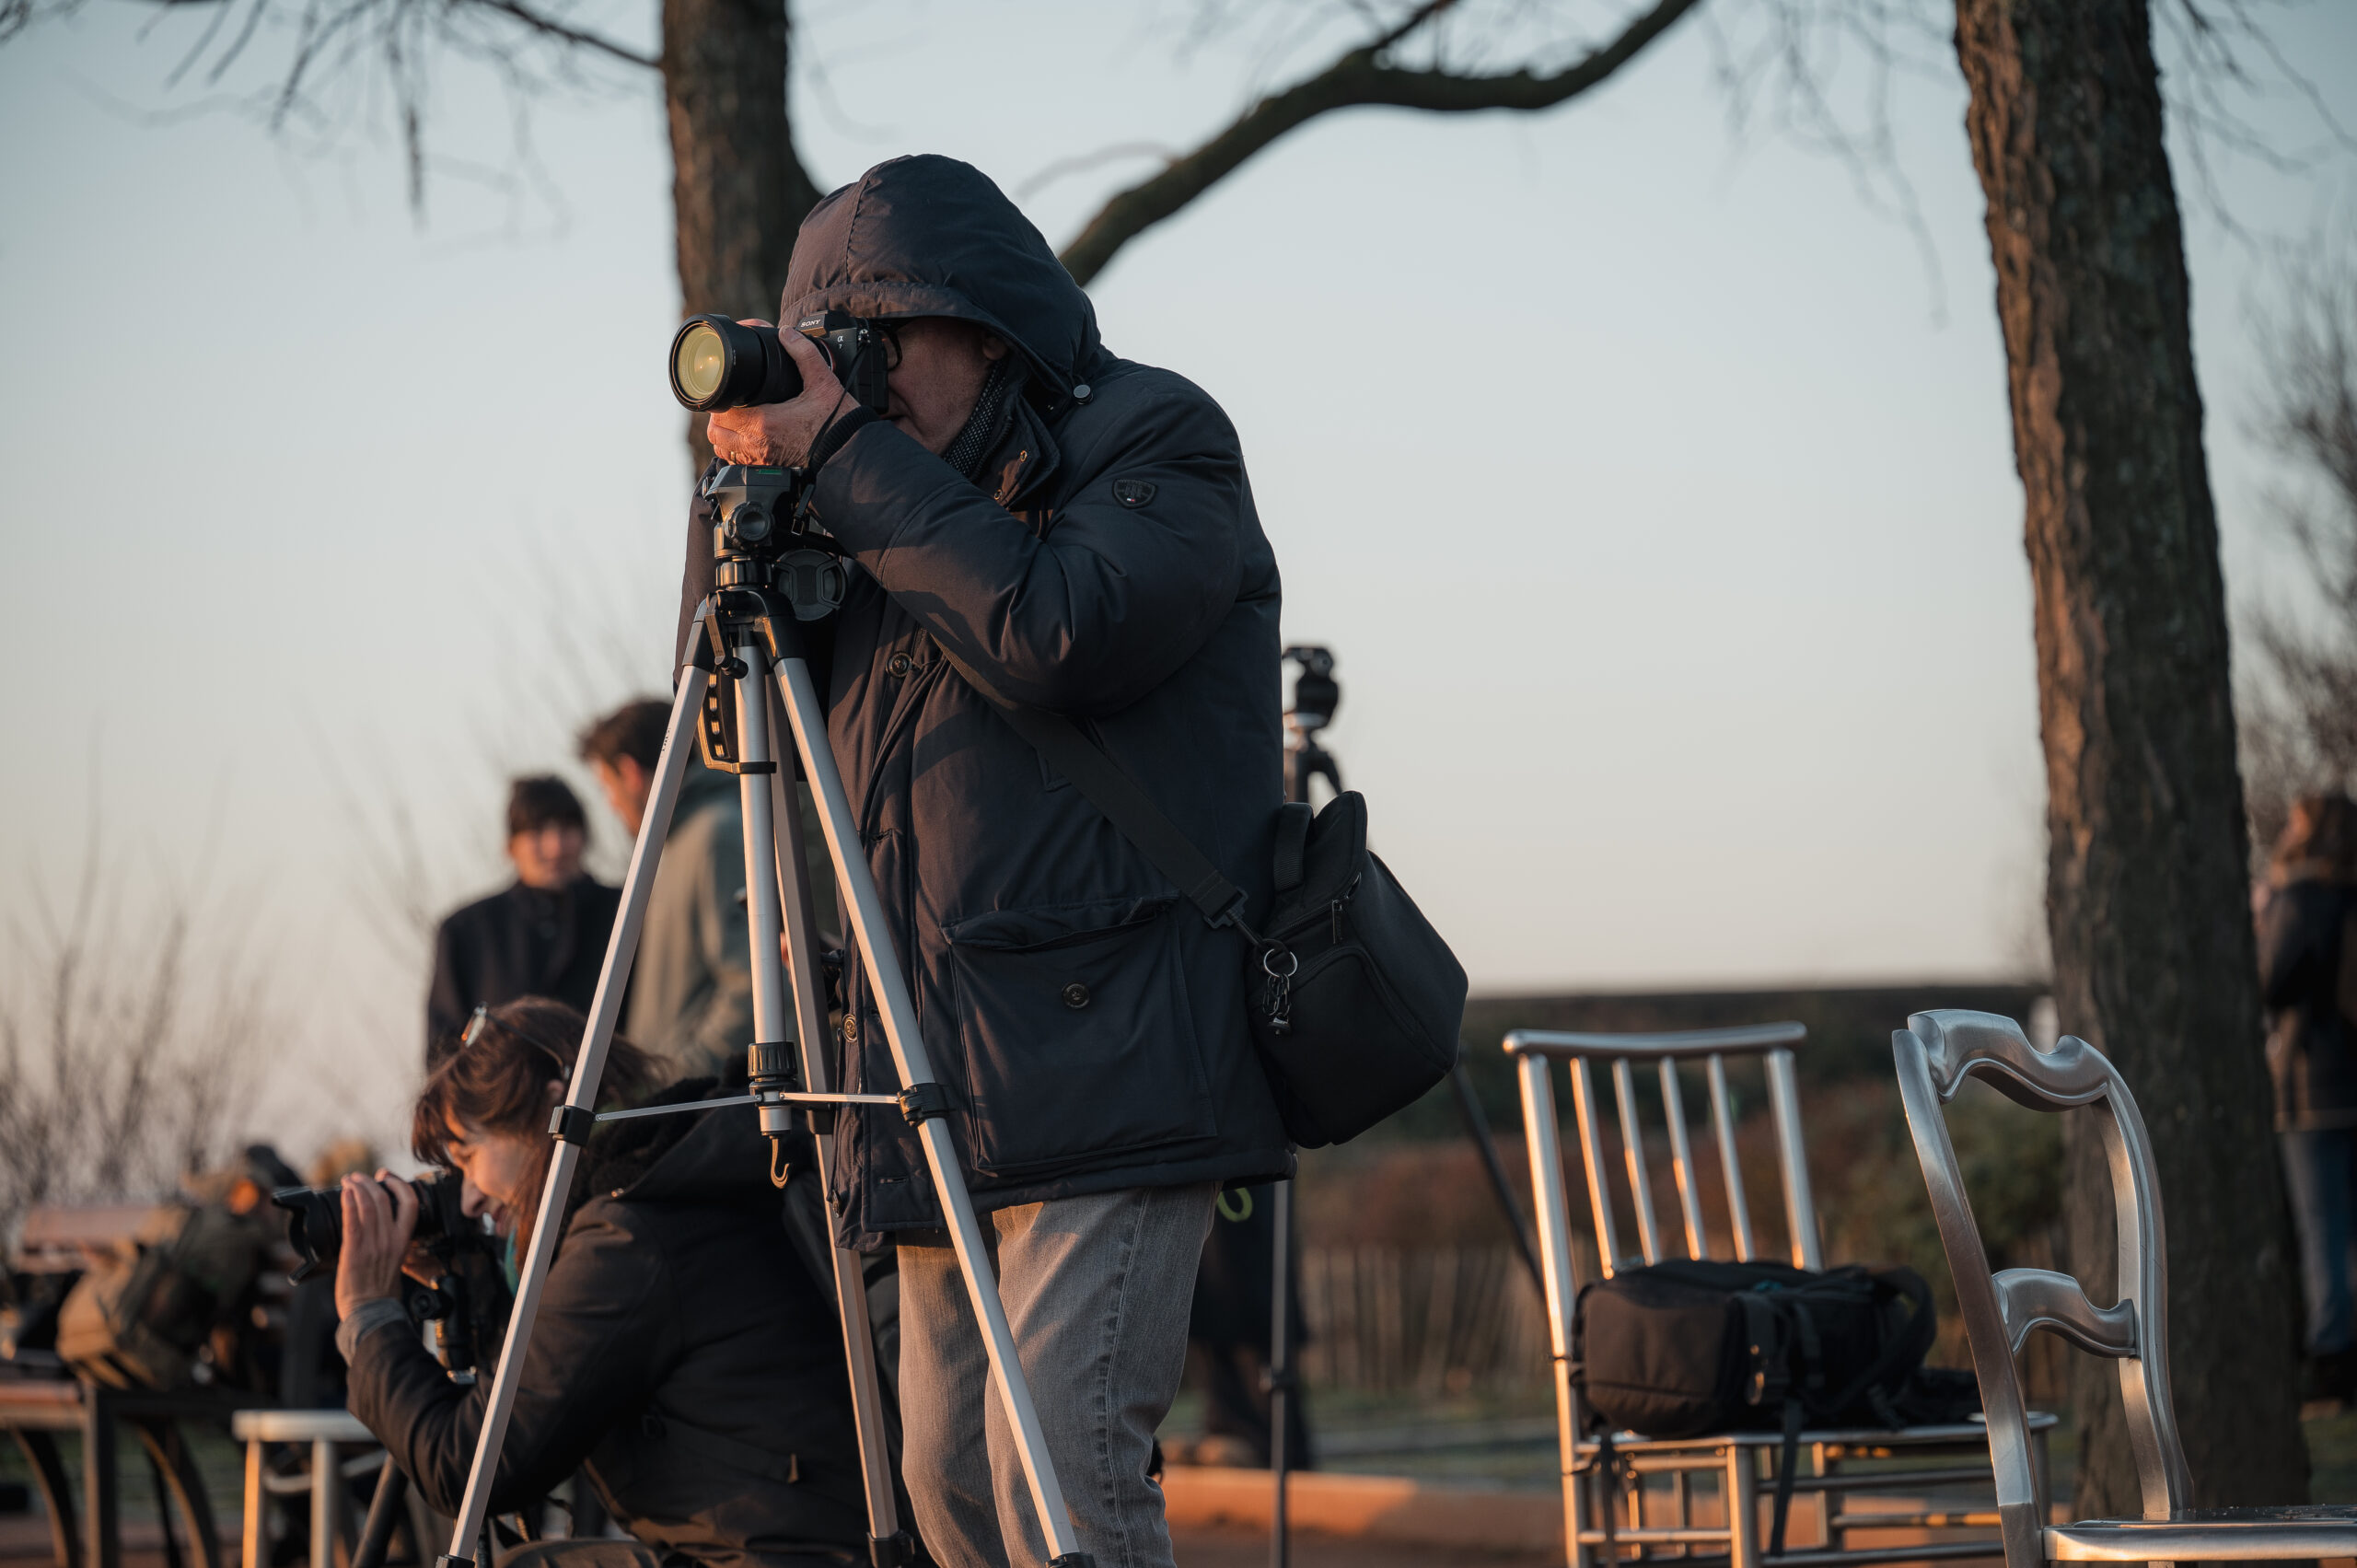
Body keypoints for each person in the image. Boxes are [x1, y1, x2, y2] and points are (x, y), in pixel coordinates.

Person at [691, 154, 1293, 1568]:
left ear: (989, 326)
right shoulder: (868, 492)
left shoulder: (1160, 442)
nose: (866, 379)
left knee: (1062, 1480)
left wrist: (844, 451)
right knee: (949, 1479)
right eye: (843, 355)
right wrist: (745, 516)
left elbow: (1056, 630)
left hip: (1117, 1056)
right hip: (932, 1070)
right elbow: (733, 723)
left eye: (885, 346)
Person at [333, 997, 866, 1568]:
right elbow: (527, 1418)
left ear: (550, 1109)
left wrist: (368, 1314)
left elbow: (468, 1467)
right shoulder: (659, 1183)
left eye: (469, 1155)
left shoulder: (627, 1236)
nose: (466, 1197)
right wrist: (467, 1284)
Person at [579, 701, 756, 1080]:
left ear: (629, 773)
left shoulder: (715, 836)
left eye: (606, 786)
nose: (610, 804)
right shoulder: (677, 843)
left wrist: (672, 1078)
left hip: (708, 1111)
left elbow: (752, 985)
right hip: (687, 1107)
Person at [2258, 791, 2357, 1403]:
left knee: (2320, 1227)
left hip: (2312, 1088)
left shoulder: (2298, 899)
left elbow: (2271, 982)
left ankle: (2331, 1361)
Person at [426, 777, 621, 1054]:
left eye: (567, 828)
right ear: (510, 846)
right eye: (537, 831)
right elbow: (443, 1054)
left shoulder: (627, 912)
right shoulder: (467, 932)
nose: (555, 846)